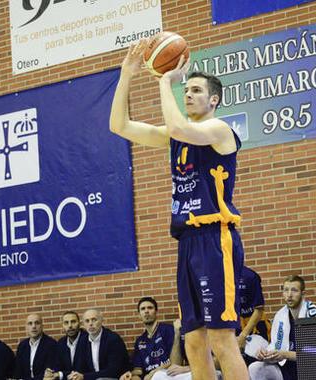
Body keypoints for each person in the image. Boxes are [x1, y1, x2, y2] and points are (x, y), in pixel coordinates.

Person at [110, 40, 248, 380]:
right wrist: (126, 75)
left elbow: (178, 127)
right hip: (187, 243)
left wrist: (162, 81)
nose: (187, 94)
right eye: (185, 89)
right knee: (194, 342)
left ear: (213, 100)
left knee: (221, 339)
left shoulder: (220, 129)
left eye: (195, 90)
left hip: (217, 240)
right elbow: (120, 126)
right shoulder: (177, 138)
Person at [248, 275, 316, 380]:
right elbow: (275, 346)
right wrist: (265, 354)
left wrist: (285, 354)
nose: (289, 295)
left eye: (294, 290)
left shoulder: (314, 315)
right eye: (286, 290)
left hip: (312, 370)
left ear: (303, 294)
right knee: (256, 368)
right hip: (287, 370)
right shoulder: (280, 316)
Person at [73, 309, 130, 380]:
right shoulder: (82, 341)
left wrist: (84, 376)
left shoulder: (113, 339)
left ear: (101, 321)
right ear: (83, 324)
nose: (90, 324)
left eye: (94, 320)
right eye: (87, 321)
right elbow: (79, 367)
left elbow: (113, 371)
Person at [128, 297, 176, 380]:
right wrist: (129, 374)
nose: (146, 311)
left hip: (168, 374)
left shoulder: (168, 330)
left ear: (156, 312)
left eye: (150, 308)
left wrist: (153, 372)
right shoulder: (140, 341)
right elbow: (138, 370)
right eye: (143, 309)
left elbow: (174, 361)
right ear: (139, 315)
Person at [237, 266, 268, 362]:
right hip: (233, 324)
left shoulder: (250, 276)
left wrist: (243, 335)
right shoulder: (219, 275)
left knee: (257, 361)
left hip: (254, 325)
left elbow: (259, 309)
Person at [15, 313, 58, 380]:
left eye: (37, 323)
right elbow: (18, 371)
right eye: (30, 323)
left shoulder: (51, 345)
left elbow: (48, 374)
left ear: (42, 326)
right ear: (26, 327)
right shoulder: (22, 346)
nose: (33, 326)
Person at [45, 311, 85, 380]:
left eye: (73, 322)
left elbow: (85, 369)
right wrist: (51, 372)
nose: (70, 326)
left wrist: (60, 374)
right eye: (66, 323)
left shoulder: (87, 339)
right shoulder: (61, 343)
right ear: (62, 326)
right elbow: (58, 366)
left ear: (79, 323)